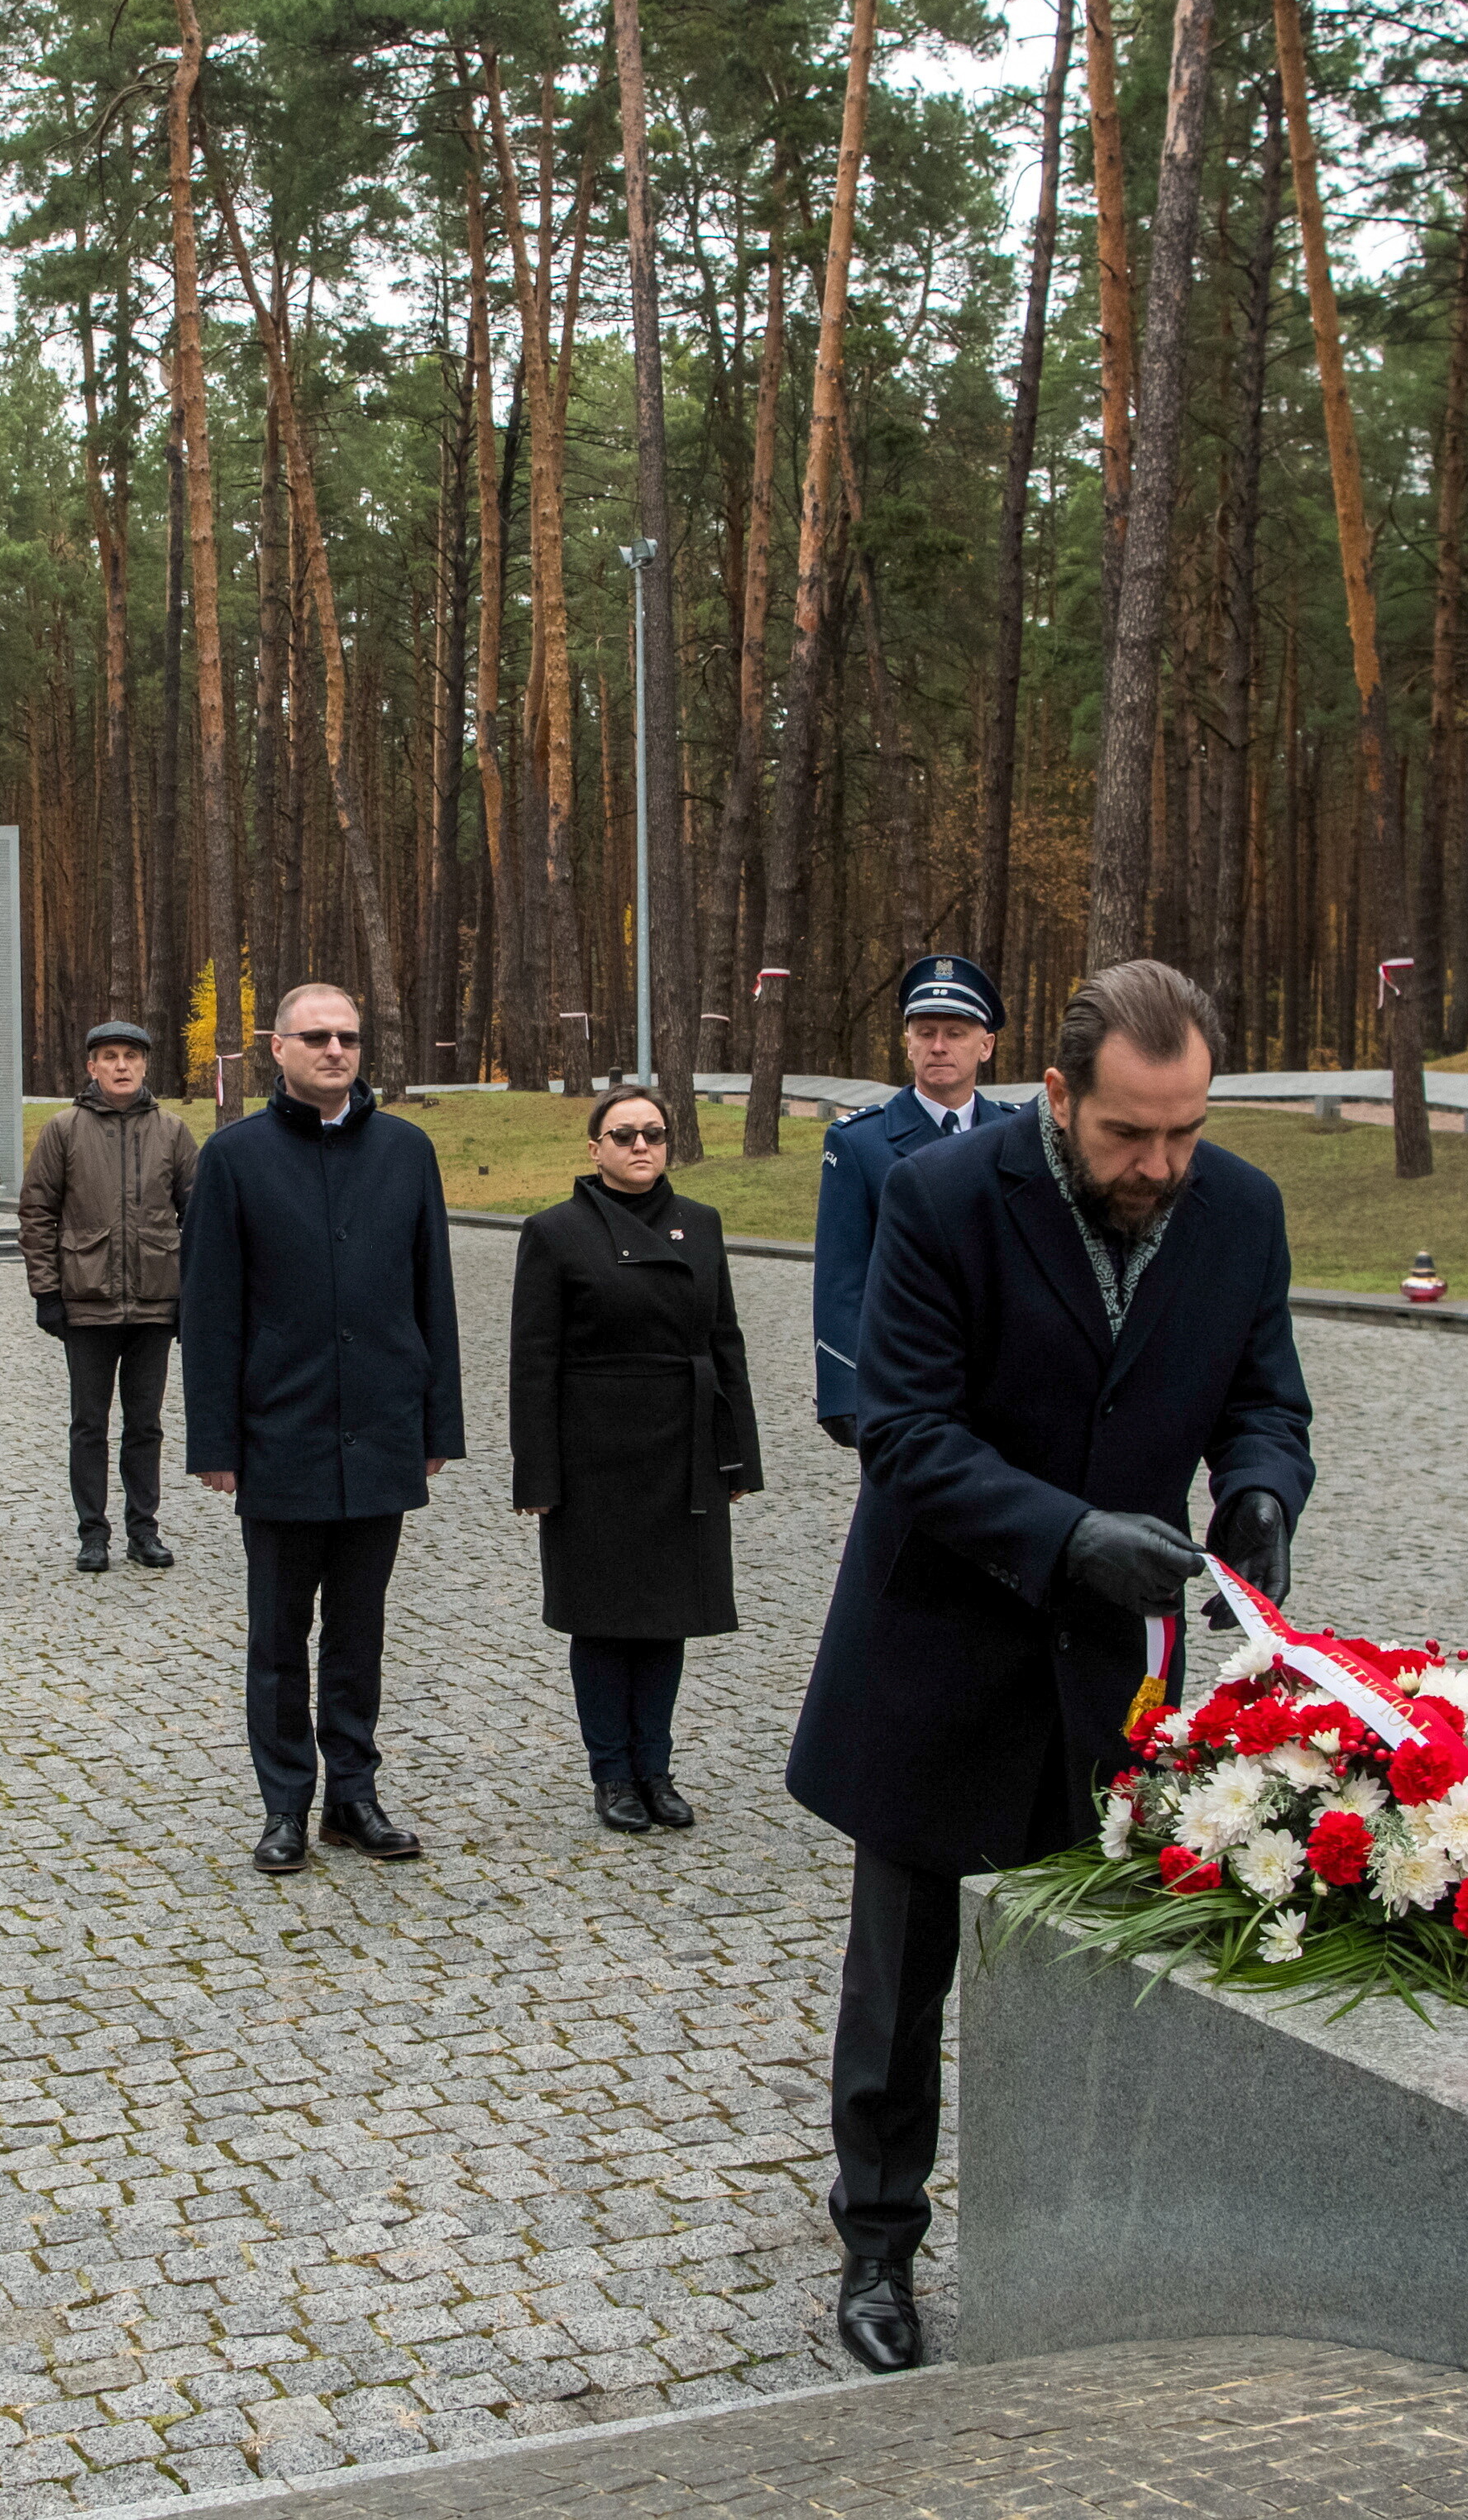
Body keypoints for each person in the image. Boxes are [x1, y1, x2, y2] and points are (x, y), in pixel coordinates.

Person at [784, 959, 1312, 2375]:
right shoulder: (942, 1201)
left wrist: (1259, 1495)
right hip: (935, 1643)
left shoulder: (1240, 1211)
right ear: (1057, 1094)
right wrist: (1068, 1536)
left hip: (1111, 1676)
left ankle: (1087, 2231)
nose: (1158, 1166)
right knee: (899, 1982)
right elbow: (903, 1432)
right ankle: (877, 2245)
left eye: (1184, 1133)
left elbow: (1263, 1393)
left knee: (1107, 1961)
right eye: (1127, 1135)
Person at [184, 982, 465, 1876]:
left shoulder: (406, 1151)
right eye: (316, 1037)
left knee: (359, 1632)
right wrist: (216, 1444)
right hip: (282, 1433)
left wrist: (436, 1422)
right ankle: (284, 1806)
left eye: (347, 1036)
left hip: (381, 1429)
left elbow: (434, 1297)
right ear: (278, 1047)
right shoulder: (233, 1158)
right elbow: (211, 1311)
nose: (335, 1050)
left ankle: (353, 1795)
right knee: (278, 1637)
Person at [509, 1086, 764, 1834]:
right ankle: (612, 1773)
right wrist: (538, 1473)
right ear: (595, 1148)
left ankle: (656, 1766)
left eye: (654, 1132)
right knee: (603, 1618)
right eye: (623, 1134)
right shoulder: (554, 1232)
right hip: (595, 1453)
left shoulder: (703, 1225)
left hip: (683, 1447)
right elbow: (533, 1364)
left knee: (667, 1616)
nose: (641, 1146)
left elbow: (726, 1342)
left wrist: (737, 1455)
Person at [22, 1018, 200, 1574]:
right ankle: (92, 1532)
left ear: (146, 1065)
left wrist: (191, 1295)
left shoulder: (173, 1132)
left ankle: (142, 1530)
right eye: (110, 1056)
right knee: (89, 1423)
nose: (121, 1065)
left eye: (131, 1055)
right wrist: (47, 1291)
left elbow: (200, 1217)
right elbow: (37, 1212)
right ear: (90, 1066)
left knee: (145, 1423)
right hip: (87, 1302)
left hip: (154, 1303)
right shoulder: (63, 1130)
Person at [811, 953, 1011, 1447]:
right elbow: (841, 1278)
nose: (938, 1046)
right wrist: (845, 1391)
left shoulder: (1018, 1135)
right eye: (925, 1032)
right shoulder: (860, 1143)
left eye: (955, 1032)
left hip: (1005, 1385)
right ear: (908, 1043)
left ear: (985, 1046)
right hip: (905, 1386)